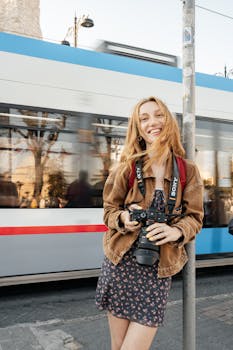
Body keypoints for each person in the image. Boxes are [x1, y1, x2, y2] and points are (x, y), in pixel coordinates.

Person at [95, 96, 204, 350]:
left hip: (157, 270)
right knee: (118, 345)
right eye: (144, 118)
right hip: (120, 263)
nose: (152, 122)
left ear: (169, 121)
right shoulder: (127, 168)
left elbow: (195, 218)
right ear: (138, 128)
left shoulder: (187, 170)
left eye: (158, 115)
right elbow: (109, 212)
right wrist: (123, 218)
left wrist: (175, 230)